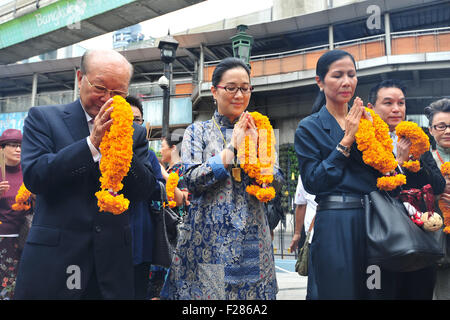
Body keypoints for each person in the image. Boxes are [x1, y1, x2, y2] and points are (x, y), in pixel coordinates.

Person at [14, 50, 157, 300]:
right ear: (80, 78)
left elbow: (144, 190)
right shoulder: (44, 118)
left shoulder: (135, 133)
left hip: (112, 263)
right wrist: (91, 145)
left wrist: (122, 146)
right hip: (58, 259)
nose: (108, 99)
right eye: (100, 88)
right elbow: (36, 176)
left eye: (118, 93)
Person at [161, 57, 283, 300]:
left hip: (253, 239)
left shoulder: (261, 131)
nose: (239, 95)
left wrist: (264, 169)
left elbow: (277, 181)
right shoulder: (198, 131)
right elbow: (192, 180)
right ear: (214, 91)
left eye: (245, 88)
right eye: (231, 88)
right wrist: (232, 148)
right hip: (210, 243)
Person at [295, 49, 379, 299]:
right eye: (337, 75)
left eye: (352, 75)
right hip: (335, 219)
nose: (346, 81)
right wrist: (347, 140)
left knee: (373, 291)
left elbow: (379, 174)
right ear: (320, 82)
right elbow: (314, 182)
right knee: (337, 290)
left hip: (373, 218)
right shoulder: (309, 127)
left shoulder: (369, 121)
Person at [367, 80, 445, 300]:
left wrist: (416, 159)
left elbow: (438, 185)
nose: (396, 109)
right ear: (371, 108)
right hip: (381, 240)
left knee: (420, 292)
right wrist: (398, 163)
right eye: (388, 102)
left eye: (401, 103)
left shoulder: (418, 139)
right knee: (379, 293)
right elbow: (372, 188)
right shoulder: (366, 142)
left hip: (420, 241)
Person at [126, 95, 164, 300]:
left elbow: (157, 188)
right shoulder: (105, 149)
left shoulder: (148, 155)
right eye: (127, 119)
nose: (133, 124)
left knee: (138, 290)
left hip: (140, 232)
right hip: (111, 234)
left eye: (137, 120)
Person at [0, 129, 32, 300]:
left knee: (26, 284)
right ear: (1, 149)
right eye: (13, 145)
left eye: (20, 146)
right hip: (3, 239)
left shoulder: (29, 170)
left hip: (28, 237)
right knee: (6, 288)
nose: (18, 149)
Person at [424, 98, 450, 300]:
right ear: (431, 129)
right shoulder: (424, 161)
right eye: (441, 126)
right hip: (437, 241)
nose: (447, 131)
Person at [289, 175, 317, 300]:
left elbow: (301, 205)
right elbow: (301, 205)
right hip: (336, 234)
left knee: (315, 286)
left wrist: (297, 234)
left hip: (315, 238)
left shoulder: (308, 170)